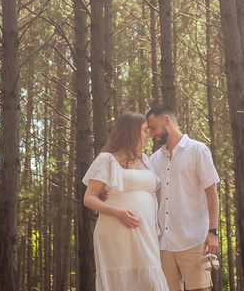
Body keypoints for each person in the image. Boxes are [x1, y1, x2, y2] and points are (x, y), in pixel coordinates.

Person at [82, 111, 165, 291]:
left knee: (150, 281)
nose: (149, 135)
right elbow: (89, 198)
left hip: (146, 232)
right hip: (116, 230)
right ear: (131, 132)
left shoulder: (145, 159)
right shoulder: (107, 159)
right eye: (144, 131)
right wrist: (117, 212)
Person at [146, 104, 220, 291]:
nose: (151, 134)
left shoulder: (197, 150)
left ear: (167, 121)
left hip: (194, 239)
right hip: (164, 242)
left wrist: (213, 231)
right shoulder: (154, 159)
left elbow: (211, 190)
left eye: (153, 127)